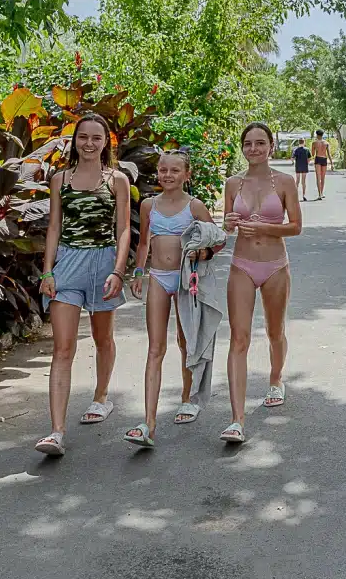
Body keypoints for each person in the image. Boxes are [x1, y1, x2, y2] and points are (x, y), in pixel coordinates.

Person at [35, 113, 131, 457]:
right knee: (63, 348)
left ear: (106, 143)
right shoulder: (60, 179)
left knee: (103, 338)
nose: (89, 143)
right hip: (68, 266)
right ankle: (56, 432)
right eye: (83, 137)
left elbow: (123, 229)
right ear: (74, 141)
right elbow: (53, 227)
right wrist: (47, 272)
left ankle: (101, 397)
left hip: (104, 264)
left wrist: (118, 271)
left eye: (96, 138)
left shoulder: (117, 180)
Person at [123, 149, 217, 448]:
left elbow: (217, 238)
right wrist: (138, 271)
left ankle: (188, 398)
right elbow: (143, 242)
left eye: (174, 171)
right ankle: (148, 423)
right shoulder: (149, 205)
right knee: (155, 347)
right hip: (158, 279)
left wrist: (203, 252)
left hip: (186, 280)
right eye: (163, 170)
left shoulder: (195, 207)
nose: (167, 175)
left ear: (186, 174)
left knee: (186, 340)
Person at [220, 122, 302, 444]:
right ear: (242, 148)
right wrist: (227, 223)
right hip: (241, 265)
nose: (253, 149)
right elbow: (228, 227)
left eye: (260, 143)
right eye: (248, 143)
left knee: (274, 331)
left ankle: (275, 378)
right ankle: (236, 420)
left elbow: (296, 226)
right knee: (238, 339)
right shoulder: (232, 184)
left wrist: (266, 229)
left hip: (275, 266)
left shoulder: (284, 182)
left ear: (271, 146)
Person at [311, 129, 333, 201]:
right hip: (324, 159)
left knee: (318, 177)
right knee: (323, 178)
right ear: (322, 135)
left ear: (317, 135)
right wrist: (332, 163)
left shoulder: (314, 143)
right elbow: (329, 154)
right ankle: (322, 193)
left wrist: (315, 150)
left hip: (318, 159)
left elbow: (313, 154)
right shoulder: (326, 143)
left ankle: (319, 194)